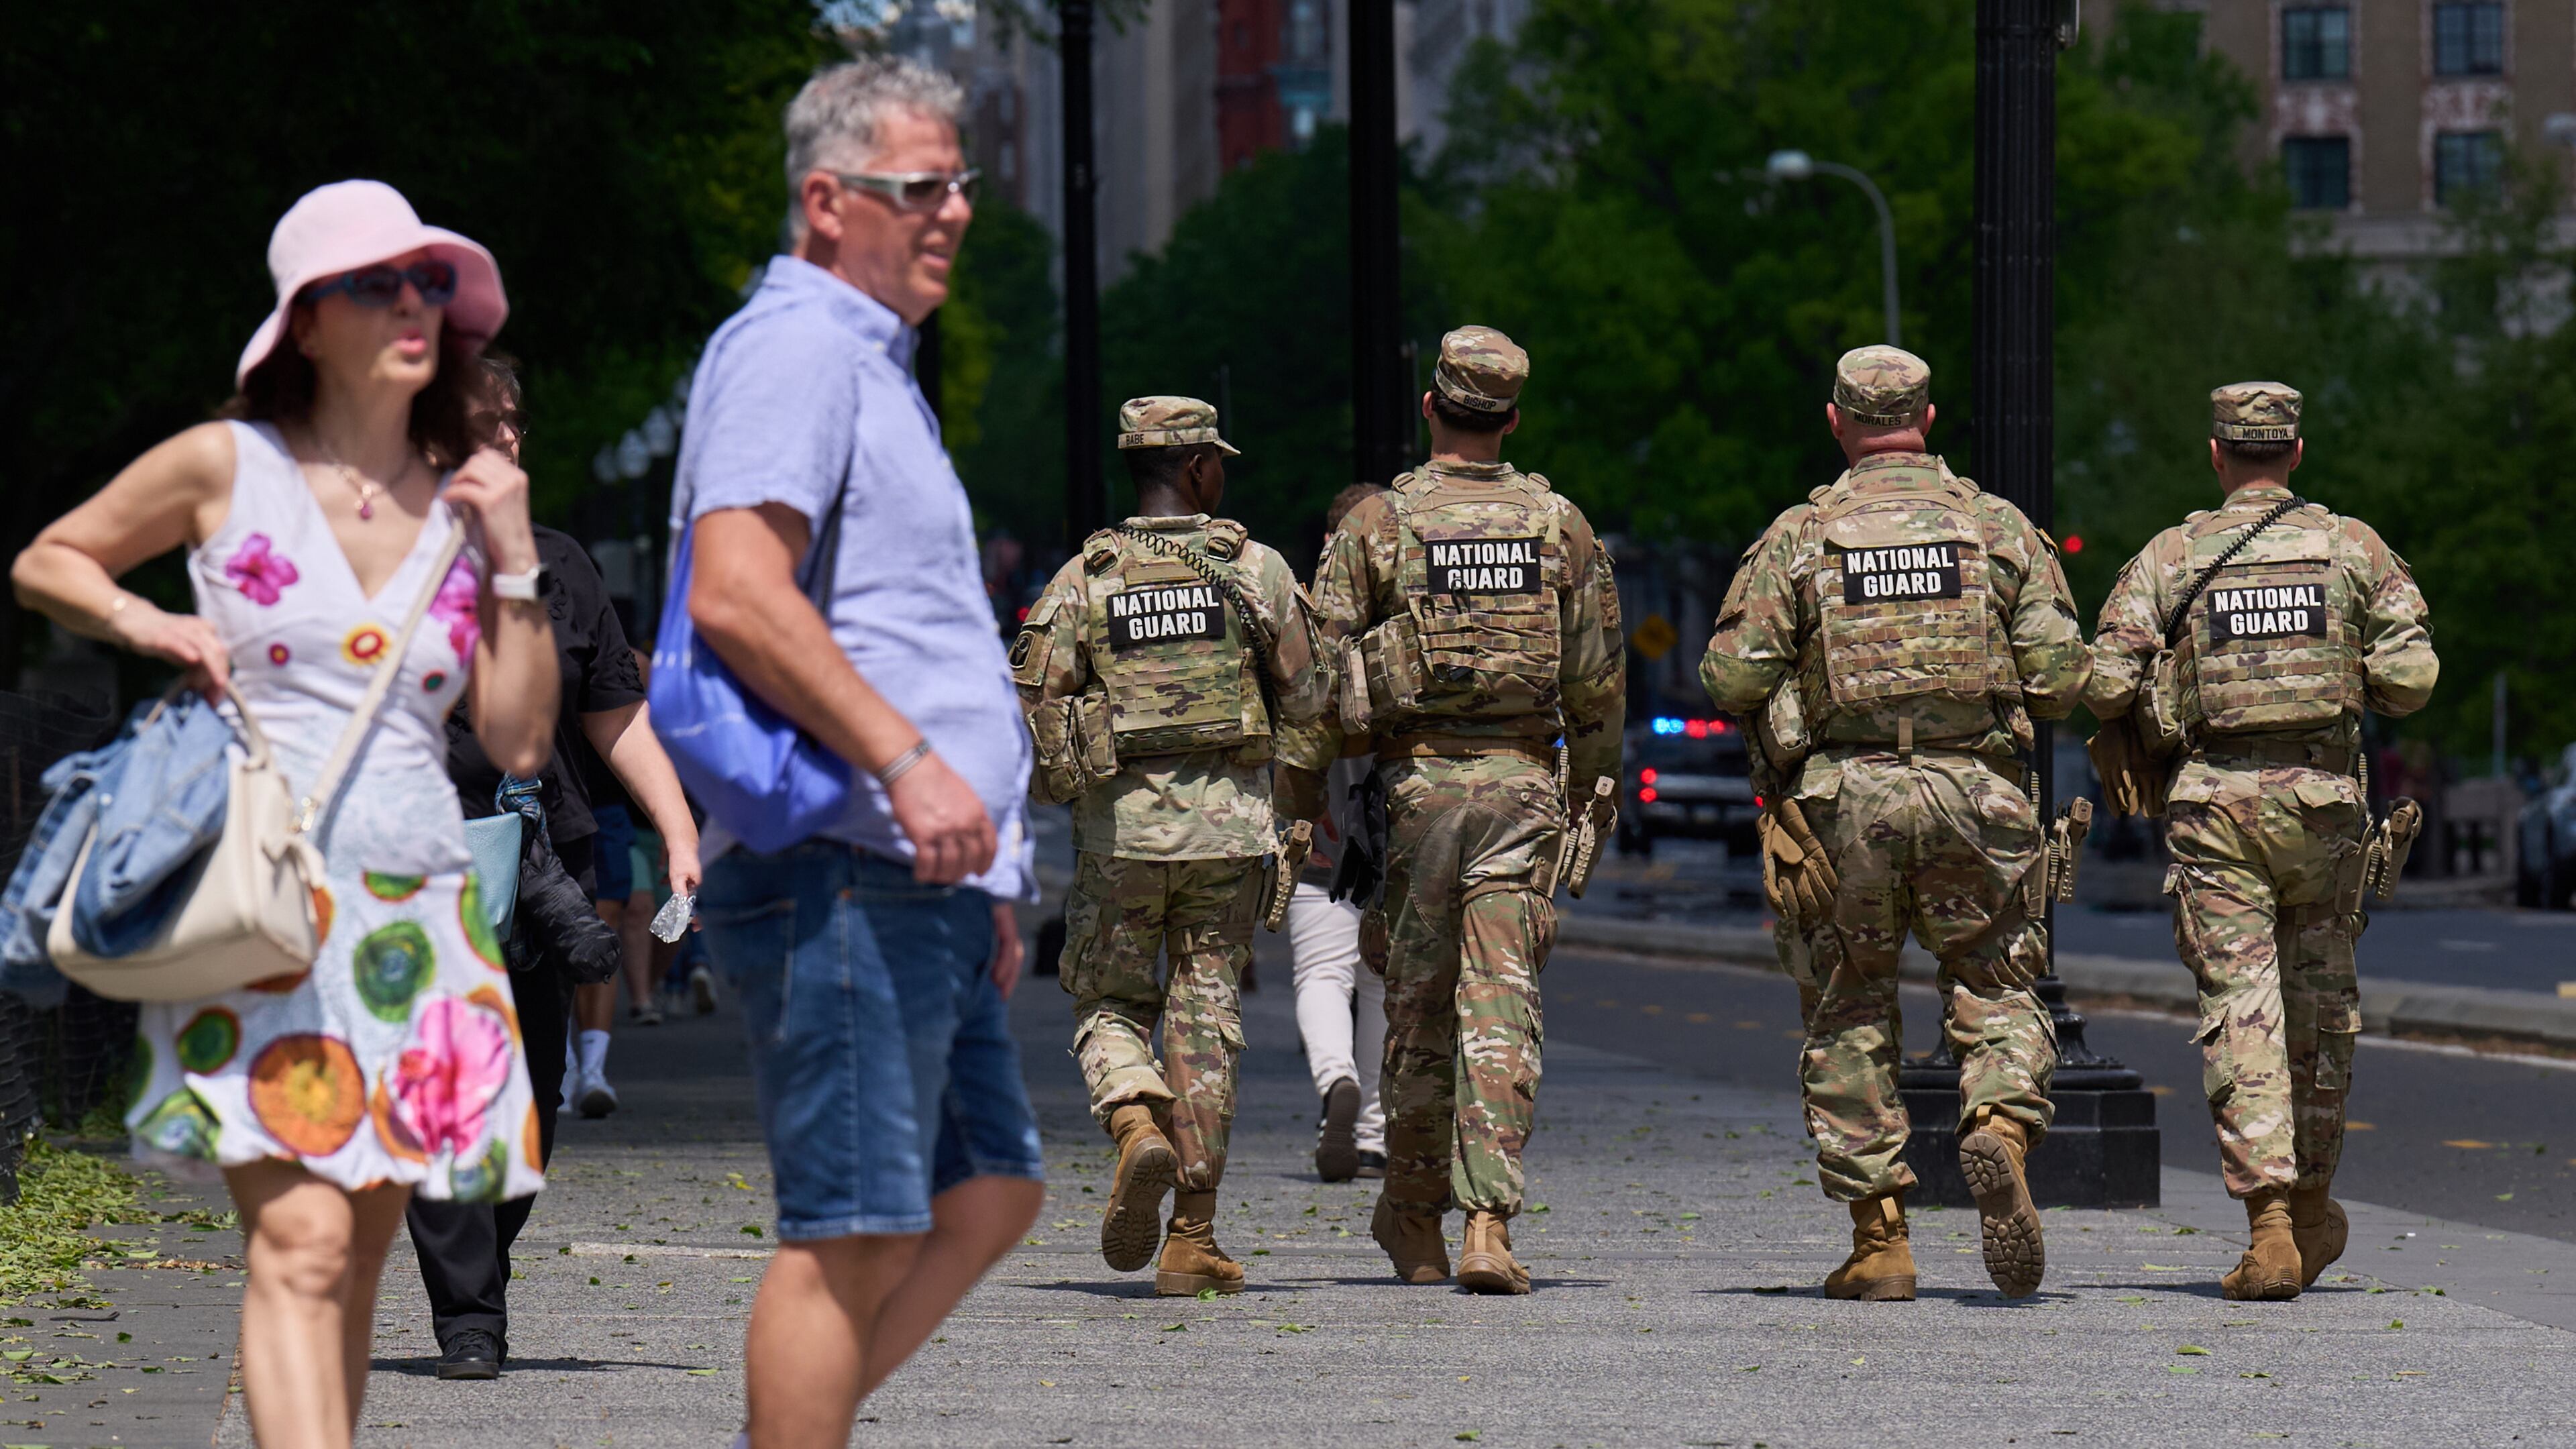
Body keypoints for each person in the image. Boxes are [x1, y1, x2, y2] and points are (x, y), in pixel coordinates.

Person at [9, 179, 557, 1448]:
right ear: (306, 323)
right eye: (376, 283)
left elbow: (521, 735)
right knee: (302, 1245)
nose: (412, 304)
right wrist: (151, 620)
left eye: (426, 282)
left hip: (420, 916)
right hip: (268, 906)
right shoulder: (227, 465)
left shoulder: (463, 500)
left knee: (357, 1258)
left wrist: (516, 552)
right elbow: (50, 558)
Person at [672, 56, 1044, 1448]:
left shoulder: (871, 366)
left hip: (918, 872)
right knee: (852, 1232)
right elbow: (735, 588)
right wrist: (904, 762)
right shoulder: (796, 351)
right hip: (844, 863)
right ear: (827, 202)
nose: (952, 210)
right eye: (919, 187)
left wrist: (989, 865)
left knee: (988, 1192)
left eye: (961, 184)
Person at [1699, 345, 2090, 1303]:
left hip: (1846, 801)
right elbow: (2063, 678)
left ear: (1836, 423)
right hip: (1979, 795)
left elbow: (1731, 677)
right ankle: (1999, 1127)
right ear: (1930, 417)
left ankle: (1881, 1243)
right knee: (1997, 985)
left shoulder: (1803, 535)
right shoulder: (1996, 529)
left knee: (1849, 1008)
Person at [1278, 326, 1627, 1295]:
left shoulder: (1379, 524)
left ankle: (1418, 1217)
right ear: (1511, 419)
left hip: (1417, 789)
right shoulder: (1560, 526)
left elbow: (1315, 678)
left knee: (1420, 1011)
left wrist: (1300, 801)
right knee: (1502, 1004)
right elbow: (1597, 682)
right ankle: (1489, 1221)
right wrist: (1592, 795)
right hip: (1523, 787)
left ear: (1432, 407)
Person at [2084, 382, 2436, 1301]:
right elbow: (2410, 681)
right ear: (2297, 452)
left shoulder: (2174, 555)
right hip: (2322, 806)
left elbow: (2103, 678)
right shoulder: (2354, 549)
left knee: (2244, 1012)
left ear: (2216, 454)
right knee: (2320, 1013)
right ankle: (2314, 1202)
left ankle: (2272, 1227)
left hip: (2215, 808)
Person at [405, 359, 704, 1381]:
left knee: (528, 1107)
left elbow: (615, 720)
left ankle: (478, 1261)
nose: (506, 440)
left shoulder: (565, 566)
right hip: (424, 863)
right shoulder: (388, 559)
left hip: (548, 868)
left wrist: (677, 833)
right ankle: (469, 1318)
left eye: (515, 424)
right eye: (482, 424)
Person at [1012, 396, 1330, 1293]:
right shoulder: (1258, 572)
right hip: (1230, 832)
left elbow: (1040, 702)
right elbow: (1313, 702)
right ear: (1196, 471)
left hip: (1122, 834)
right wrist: (1295, 808)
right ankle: (1193, 1236)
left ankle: (1135, 1126)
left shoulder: (1085, 579)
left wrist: (1077, 781)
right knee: (1207, 1019)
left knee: (1108, 1001)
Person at [1281, 483, 1392, 1183]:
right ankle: (1376, 1131)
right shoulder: (1413, 591)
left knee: (1321, 971)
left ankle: (1335, 1088)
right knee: (1382, 980)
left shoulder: (1296, 602)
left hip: (1319, 806)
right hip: (1397, 812)